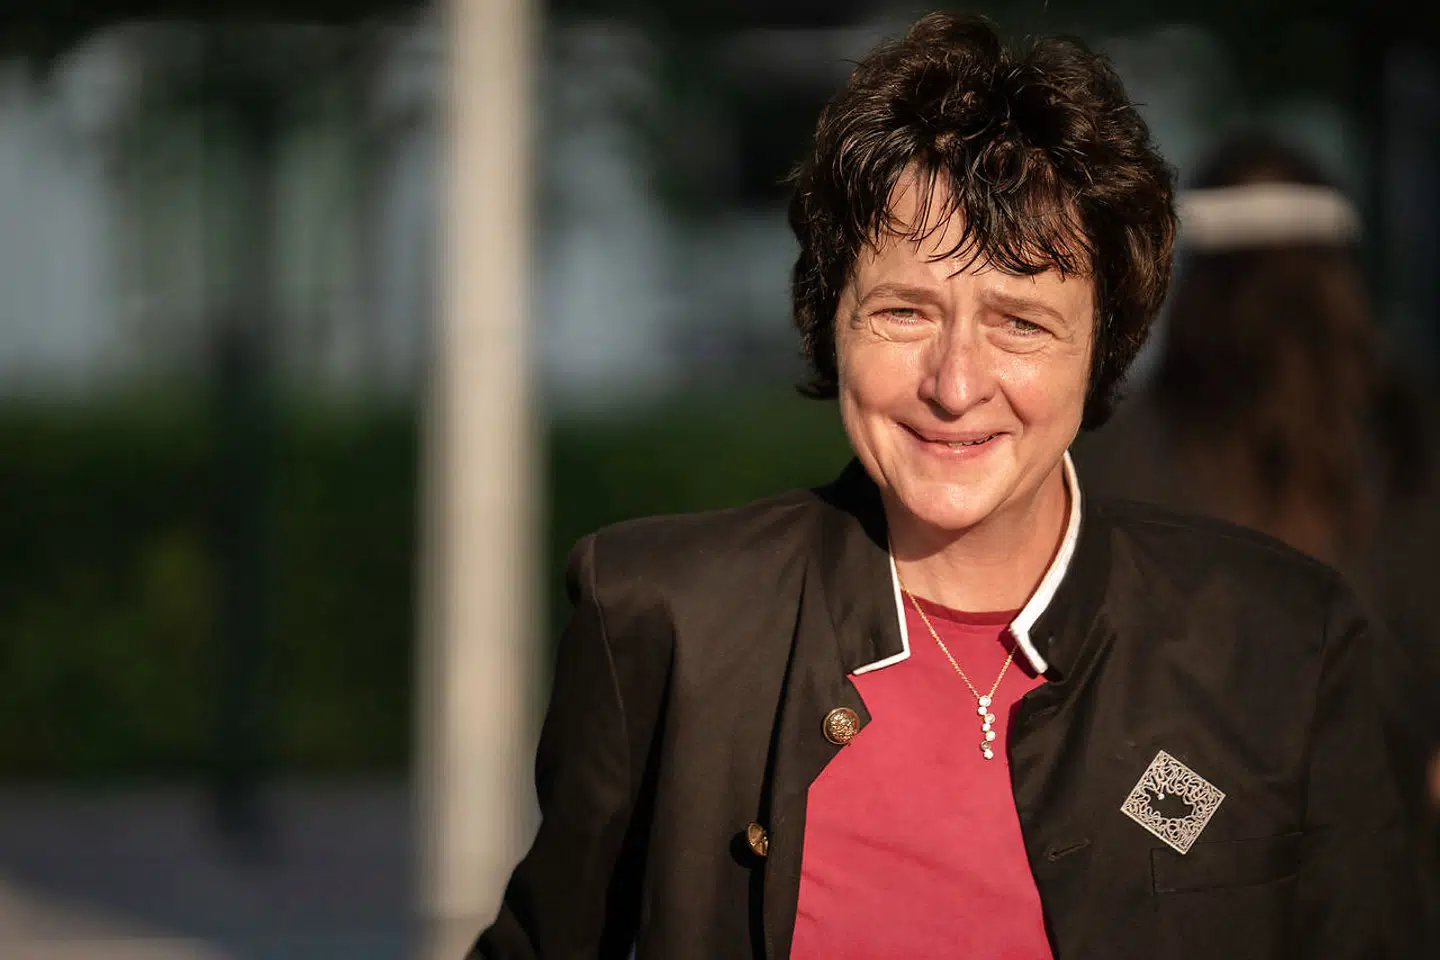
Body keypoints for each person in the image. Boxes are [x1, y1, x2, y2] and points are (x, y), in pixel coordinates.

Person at [473, 13, 1417, 959]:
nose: (956, 385)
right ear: (828, 319)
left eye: (1021, 323)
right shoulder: (668, 623)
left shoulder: (1285, 643)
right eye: (904, 312)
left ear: (1103, 346)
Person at [1075, 133, 1440, 947]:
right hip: (1383, 881)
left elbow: (1095, 717)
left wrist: (1201, 832)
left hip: (1176, 897)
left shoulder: (1114, 457)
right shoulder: (1414, 443)